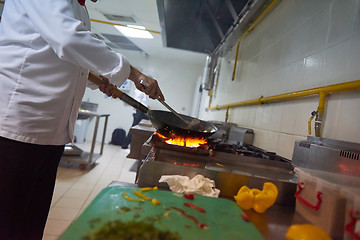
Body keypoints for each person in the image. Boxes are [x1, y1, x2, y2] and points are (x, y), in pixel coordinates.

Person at [0, 0, 164, 239]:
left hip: (50, 132)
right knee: (8, 221)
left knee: (30, 223)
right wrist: (131, 72)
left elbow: (65, 57)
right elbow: (67, 40)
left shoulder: (79, 8)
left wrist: (101, 79)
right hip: (18, 126)